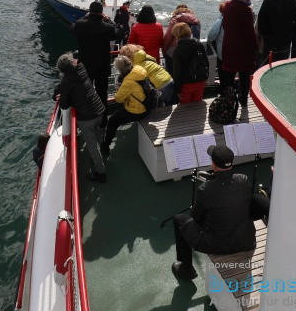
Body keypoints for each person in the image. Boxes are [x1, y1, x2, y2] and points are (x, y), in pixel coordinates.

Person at [171, 144, 257, 281]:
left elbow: (196, 218)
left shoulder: (205, 189)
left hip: (216, 245)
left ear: (214, 165)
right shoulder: (243, 180)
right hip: (246, 240)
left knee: (178, 219)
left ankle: (186, 268)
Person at [53, 53, 108, 182]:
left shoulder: (66, 81)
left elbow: (64, 104)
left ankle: (100, 173)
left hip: (87, 118)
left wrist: (61, 96)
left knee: (92, 146)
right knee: (97, 136)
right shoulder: (81, 69)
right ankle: (100, 156)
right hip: (99, 110)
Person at [101, 55, 153, 155]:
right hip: (148, 105)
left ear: (120, 69)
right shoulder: (139, 70)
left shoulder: (127, 82)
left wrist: (120, 89)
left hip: (138, 112)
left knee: (112, 120)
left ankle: (105, 146)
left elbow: (118, 99)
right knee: (122, 109)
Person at [71, 0, 118, 107]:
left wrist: (85, 17)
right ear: (101, 13)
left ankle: (89, 113)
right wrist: (108, 20)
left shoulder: (80, 25)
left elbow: (73, 27)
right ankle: (103, 116)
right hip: (102, 67)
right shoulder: (107, 27)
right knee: (102, 94)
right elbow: (117, 32)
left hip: (85, 66)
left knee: (86, 93)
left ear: (89, 11)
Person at [221, 0, 258, 107]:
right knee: (244, 76)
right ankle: (243, 101)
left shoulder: (227, 7)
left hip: (229, 47)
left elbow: (225, 26)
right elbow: (249, 33)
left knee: (229, 77)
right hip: (243, 49)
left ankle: (228, 102)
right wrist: (255, 47)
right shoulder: (246, 11)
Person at [170, 22, 210, 103]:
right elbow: (206, 62)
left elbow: (177, 73)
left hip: (186, 84)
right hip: (200, 81)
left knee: (186, 107)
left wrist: (177, 90)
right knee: (198, 105)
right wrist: (205, 78)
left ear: (176, 35)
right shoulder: (198, 44)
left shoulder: (177, 50)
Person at [163, 4, 201, 72]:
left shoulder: (174, 21)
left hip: (174, 52)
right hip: (191, 51)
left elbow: (167, 38)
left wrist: (164, 51)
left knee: (173, 72)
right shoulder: (196, 21)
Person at [204, 1, 227, 77]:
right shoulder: (237, 20)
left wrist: (210, 42)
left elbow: (211, 36)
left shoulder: (220, 22)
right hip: (235, 53)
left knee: (223, 74)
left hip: (223, 54)